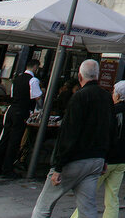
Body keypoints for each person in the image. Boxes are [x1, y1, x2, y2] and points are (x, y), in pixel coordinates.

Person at [31, 59, 113, 218]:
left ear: (80, 77)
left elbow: (70, 132)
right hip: (96, 160)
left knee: (44, 205)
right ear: (97, 76)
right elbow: (110, 129)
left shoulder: (79, 97)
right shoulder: (106, 97)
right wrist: (105, 158)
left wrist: (58, 166)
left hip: (74, 159)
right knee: (87, 208)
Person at [68, 80, 125, 218]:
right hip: (122, 159)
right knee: (112, 197)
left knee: (88, 195)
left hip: (106, 159)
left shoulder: (112, 111)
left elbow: (105, 133)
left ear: (117, 94)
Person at [0, 58, 42, 179]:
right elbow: (37, 97)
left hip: (11, 109)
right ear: (35, 67)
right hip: (21, 111)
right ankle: (8, 169)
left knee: (5, 137)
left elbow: (13, 95)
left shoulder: (16, 79)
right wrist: (41, 108)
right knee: (15, 140)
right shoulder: (33, 80)